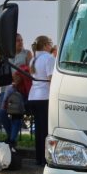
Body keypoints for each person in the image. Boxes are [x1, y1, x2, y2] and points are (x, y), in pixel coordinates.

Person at [28, 35, 55, 166]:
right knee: (45, 129)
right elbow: (51, 79)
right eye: (50, 43)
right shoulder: (49, 58)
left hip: (33, 96)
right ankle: (44, 158)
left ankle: (38, 157)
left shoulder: (33, 58)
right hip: (44, 96)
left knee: (39, 129)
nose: (51, 45)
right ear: (45, 45)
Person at [0, 71, 28, 147]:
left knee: (12, 117)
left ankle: (11, 139)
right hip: (18, 104)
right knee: (15, 119)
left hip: (13, 105)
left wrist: (3, 107)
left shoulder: (10, 87)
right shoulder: (16, 86)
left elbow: (5, 99)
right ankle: (12, 139)